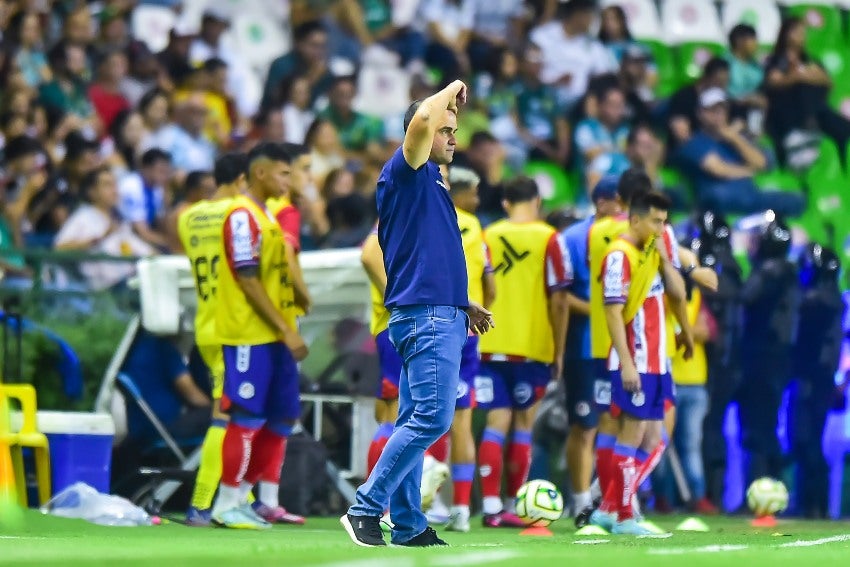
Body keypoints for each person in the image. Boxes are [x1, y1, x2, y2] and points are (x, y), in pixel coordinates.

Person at [341, 80, 494, 548]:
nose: (454, 138)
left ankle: (407, 524)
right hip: (425, 316)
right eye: (448, 130)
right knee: (432, 418)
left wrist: (461, 301)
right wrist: (450, 91)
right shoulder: (406, 170)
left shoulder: (432, 185)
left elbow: (427, 256)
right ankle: (365, 507)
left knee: (414, 418)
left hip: (437, 311)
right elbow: (424, 120)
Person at [209, 143, 309, 529]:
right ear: (261, 173)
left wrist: (298, 300)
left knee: (282, 418)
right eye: (284, 173)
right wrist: (285, 329)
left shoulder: (267, 216)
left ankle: (251, 499)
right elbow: (247, 280)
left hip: (277, 335)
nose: (289, 180)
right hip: (249, 334)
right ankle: (226, 503)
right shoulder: (241, 215)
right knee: (247, 417)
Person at [476, 175, 571, 528]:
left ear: (504, 204)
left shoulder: (488, 235)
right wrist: (558, 351)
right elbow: (559, 299)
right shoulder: (550, 238)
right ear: (537, 202)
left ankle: (489, 507)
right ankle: (516, 505)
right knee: (523, 425)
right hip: (531, 347)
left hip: (488, 342)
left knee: (495, 422)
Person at [591, 190, 681, 535]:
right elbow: (613, 312)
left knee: (654, 436)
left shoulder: (651, 252)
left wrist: (665, 258)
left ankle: (610, 508)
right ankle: (624, 517)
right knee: (631, 434)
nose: (661, 228)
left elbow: (677, 293)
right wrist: (627, 362)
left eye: (665, 222)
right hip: (636, 359)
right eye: (656, 221)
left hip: (657, 361)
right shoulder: (619, 255)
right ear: (635, 219)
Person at [178, 153, 247, 526]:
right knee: (225, 417)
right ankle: (202, 504)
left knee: (239, 416)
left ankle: (241, 497)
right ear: (241, 178)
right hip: (234, 327)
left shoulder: (189, 216)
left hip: (205, 323)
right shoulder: (240, 212)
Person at [561, 176, 620, 524]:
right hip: (583, 347)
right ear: (602, 203)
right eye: (619, 203)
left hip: (619, 348)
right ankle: (581, 500)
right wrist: (602, 309)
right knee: (584, 425)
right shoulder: (572, 239)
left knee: (619, 423)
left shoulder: (629, 236)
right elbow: (560, 294)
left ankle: (607, 496)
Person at [444, 166, 496, 532]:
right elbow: (490, 285)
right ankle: (461, 508)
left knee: (424, 415)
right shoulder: (477, 229)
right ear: (460, 192)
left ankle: (422, 502)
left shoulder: (436, 218)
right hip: (470, 332)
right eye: (474, 193)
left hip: (437, 324)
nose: (477, 200)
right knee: (461, 420)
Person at [737, 211, 798, 487]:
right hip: (781, 360)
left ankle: (762, 489)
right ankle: (774, 487)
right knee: (768, 425)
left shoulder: (766, 274)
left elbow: (745, 299)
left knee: (757, 427)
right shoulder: (793, 274)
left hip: (761, 359)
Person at [676, 88, 804, 217]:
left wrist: (734, 138)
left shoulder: (735, 140)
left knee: (796, 200)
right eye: (712, 109)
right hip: (719, 197)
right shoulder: (694, 142)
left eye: (722, 109)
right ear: (700, 113)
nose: (718, 113)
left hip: (750, 196)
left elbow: (761, 163)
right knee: (720, 195)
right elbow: (719, 169)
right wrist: (749, 171)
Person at [792, 244, 844, 518]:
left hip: (813, 378)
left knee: (806, 440)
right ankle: (813, 504)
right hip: (820, 378)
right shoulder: (833, 299)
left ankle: (812, 504)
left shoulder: (817, 301)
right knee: (809, 441)